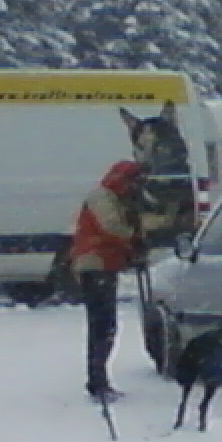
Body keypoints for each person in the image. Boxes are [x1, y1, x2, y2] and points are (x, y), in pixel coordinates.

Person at [69, 160, 151, 402]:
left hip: (107, 264)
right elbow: (111, 227)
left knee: (105, 325)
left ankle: (99, 377)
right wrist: (133, 235)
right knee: (102, 325)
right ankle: (97, 379)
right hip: (95, 264)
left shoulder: (119, 198)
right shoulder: (102, 197)